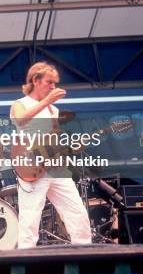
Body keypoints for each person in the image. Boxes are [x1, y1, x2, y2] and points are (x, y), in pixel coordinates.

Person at [10, 62, 91, 248]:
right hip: (31, 166)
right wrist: (46, 102)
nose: (53, 87)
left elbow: (52, 140)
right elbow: (21, 120)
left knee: (77, 213)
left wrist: (69, 147)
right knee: (30, 220)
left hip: (55, 168)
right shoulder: (20, 104)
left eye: (55, 83)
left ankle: (85, 255)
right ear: (35, 80)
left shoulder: (53, 110)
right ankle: (25, 264)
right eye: (49, 82)